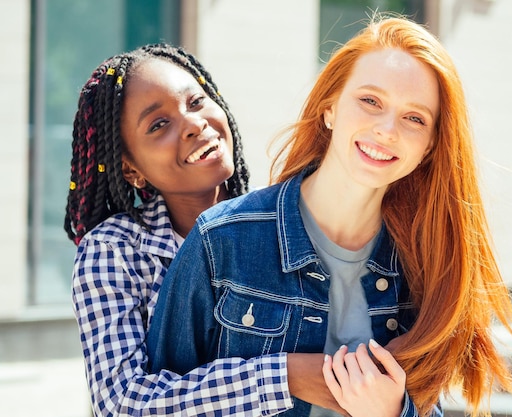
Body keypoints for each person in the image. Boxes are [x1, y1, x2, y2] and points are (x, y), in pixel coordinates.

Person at [147, 16, 512, 417]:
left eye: (414, 118)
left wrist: (393, 412)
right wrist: (280, 377)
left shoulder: (424, 265)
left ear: (430, 147)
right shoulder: (221, 240)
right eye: (370, 101)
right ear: (330, 108)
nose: (387, 130)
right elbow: (150, 403)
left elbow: (430, 401)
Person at [66, 43, 342, 417]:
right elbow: (122, 404)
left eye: (196, 102)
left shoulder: (288, 219)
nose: (194, 124)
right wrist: (284, 377)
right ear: (131, 169)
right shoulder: (115, 250)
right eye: (159, 124)